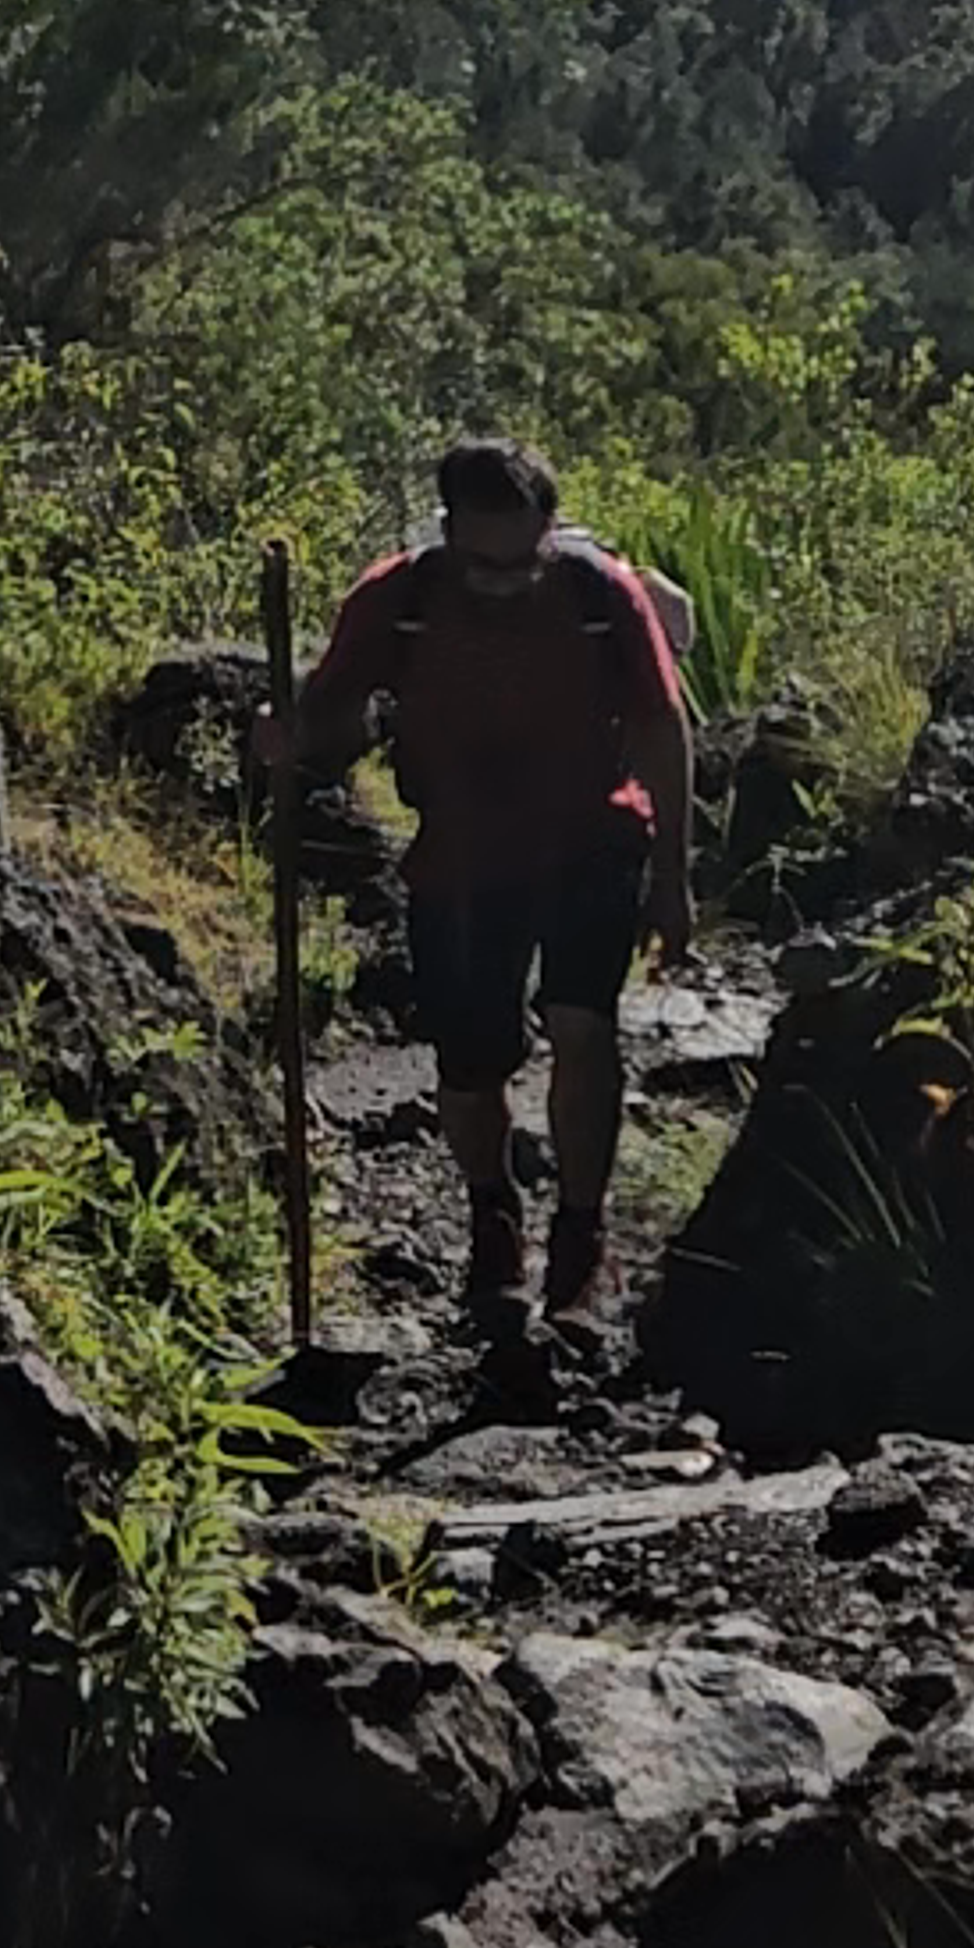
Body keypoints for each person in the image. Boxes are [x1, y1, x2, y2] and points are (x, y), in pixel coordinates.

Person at [264, 434, 698, 1334]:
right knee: (469, 1060)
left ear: (548, 530)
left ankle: (579, 1233)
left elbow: (662, 728)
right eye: (481, 563)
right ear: (448, 529)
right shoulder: (398, 597)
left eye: (519, 560)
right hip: (461, 854)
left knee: (583, 1026)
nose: (501, 582)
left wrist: (672, 880)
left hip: (592, 839)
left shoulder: (601, 594)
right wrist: (290, 734)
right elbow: (332, 718)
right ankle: (493, 1217)